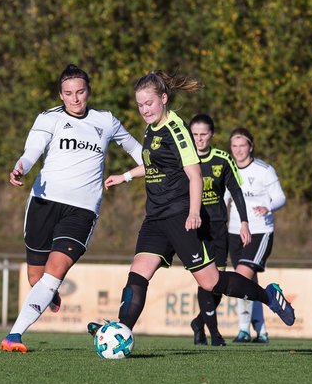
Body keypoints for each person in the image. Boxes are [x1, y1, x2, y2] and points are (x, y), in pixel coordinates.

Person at [90, 71, 295, 344]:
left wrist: (195, 212)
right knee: (138, 272)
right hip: (155, 217)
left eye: (148, 103)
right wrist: (125, 176)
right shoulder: (151, 129)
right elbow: (154, 165)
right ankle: (121, 330)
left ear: (163, 99)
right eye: (140, 105)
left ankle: (268, 296)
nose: (144, 110)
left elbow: (195, 174)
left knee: (211, 282)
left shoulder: (176, 129)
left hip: (179, 215)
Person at [0, 64, 144, 353]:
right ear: (61, 95)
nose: (75, 99)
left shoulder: (106, 121)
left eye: (80, 92)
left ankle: (13, 336)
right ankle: (46, 293)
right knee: (36, 279)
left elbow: (138, 150)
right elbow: (32, 152)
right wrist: (20, 168)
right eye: (69, 94)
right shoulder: (48, 119)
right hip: (44, 203)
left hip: (82, 210)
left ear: (88, 91)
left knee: (54, 273)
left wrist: (152, 167)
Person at [186, 114, 251, 346]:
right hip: (194, 229)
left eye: (204, 134)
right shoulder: (183, 159)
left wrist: (244, 222)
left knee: (218, 283)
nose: (199, 139)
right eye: (195, 134)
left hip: (217, 228)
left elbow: (236, 191)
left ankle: (199, 323)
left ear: (211, 134)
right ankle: (214, 333)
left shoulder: (222, 159)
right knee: (205, 281)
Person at [225, 127, 288, 344]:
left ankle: (243, 330)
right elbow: (224, 199)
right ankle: (261, 331)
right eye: (234, 146)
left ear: (251, 146)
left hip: (260, 231)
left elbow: (280, 197)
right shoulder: (229, 168)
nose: (239, 150)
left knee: (240, 278)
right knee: (249, 283)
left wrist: (267, 207)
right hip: (234, 231)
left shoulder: (264, 170)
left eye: (243, 145)